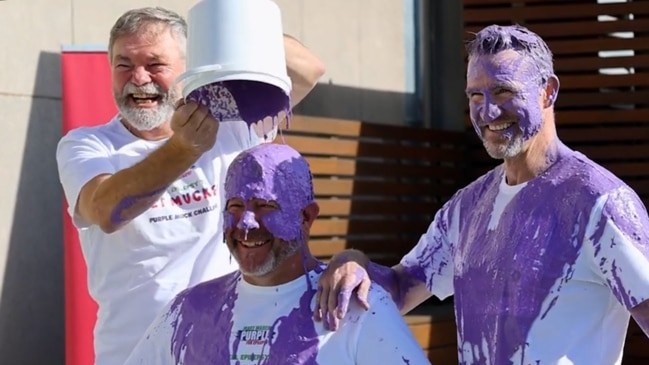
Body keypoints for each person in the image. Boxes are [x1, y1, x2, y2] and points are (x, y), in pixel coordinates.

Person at [316, 24, 649, 364]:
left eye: (503, 91)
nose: (487, 112)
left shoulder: (600, 203)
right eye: (476, 95)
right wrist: (352, 261)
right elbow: (400, 290)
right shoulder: (466, 208)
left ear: (547, 91)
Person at [56, 7, 325, 365]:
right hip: (133, 352)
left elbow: (308, 70)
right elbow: (105, 210)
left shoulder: (231, 126)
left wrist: (217, 31)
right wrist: (185, 148)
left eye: (155, 64)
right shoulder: (87, 144)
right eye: (123, 65)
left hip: (223, 347)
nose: (138, 78)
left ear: (189, 66)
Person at [123, 143, 432, 365]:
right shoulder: (187, 312)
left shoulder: (357, 309)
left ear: (306, 217)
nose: (245, 224)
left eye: (265, 207)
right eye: (235, 207)